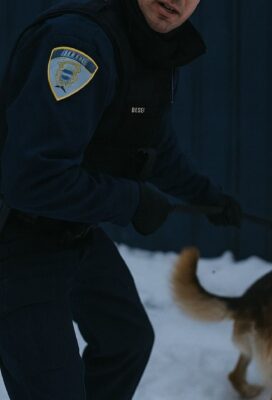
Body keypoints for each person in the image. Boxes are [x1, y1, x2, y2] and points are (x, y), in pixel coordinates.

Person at [0, 0, 241, 398]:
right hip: (14, 235)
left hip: (68, 229)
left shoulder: (153, 45)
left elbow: (151, 145)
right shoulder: (79, 43)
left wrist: (208, 197)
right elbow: (31, 179)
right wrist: (131, 201)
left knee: (125, 341)